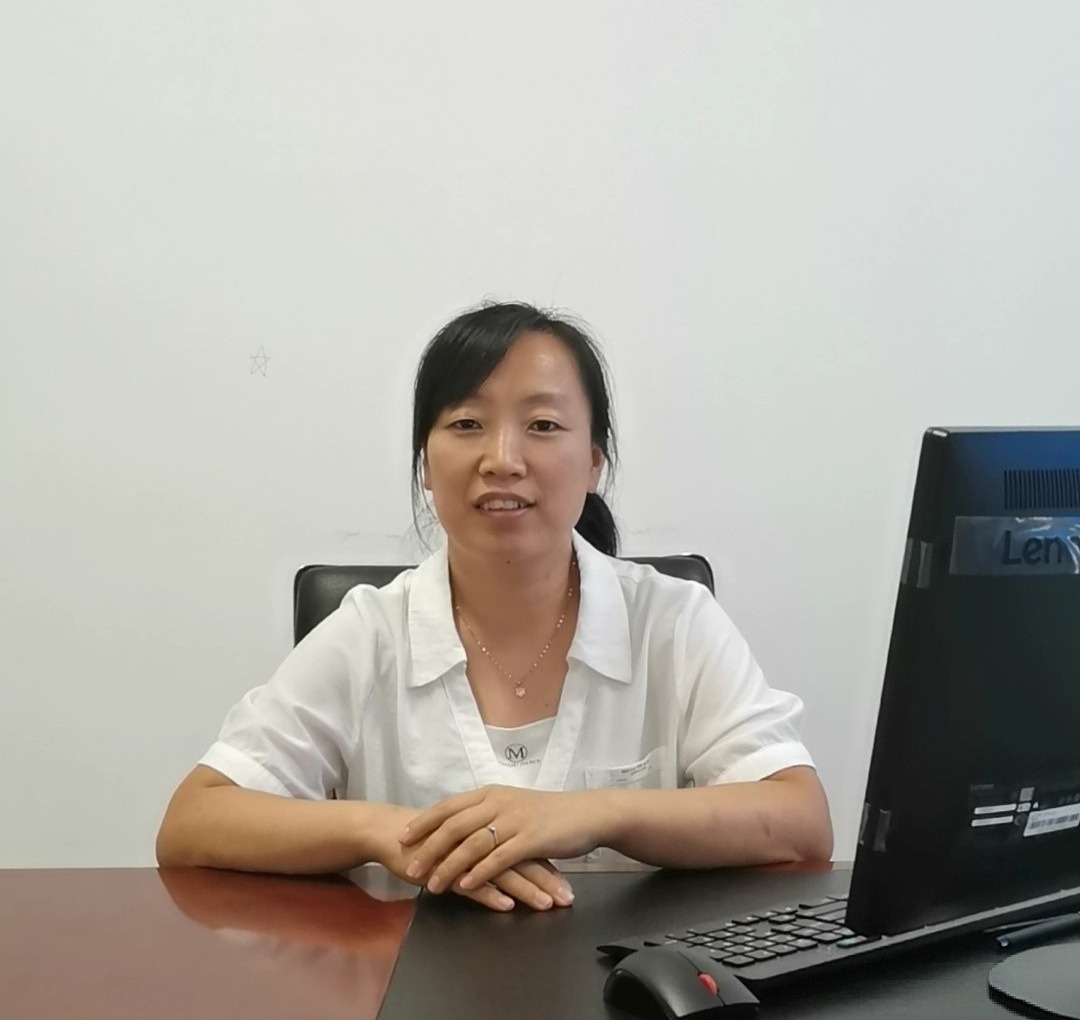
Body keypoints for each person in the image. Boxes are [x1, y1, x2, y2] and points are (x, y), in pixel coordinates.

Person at [157, 301, 832, 911]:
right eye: (467, 424)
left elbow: (800, 821)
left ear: (594, 462)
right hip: (411, 991)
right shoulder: (370, 633)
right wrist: (385, 831)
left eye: (543, 425)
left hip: (629, 992)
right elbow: (193, 822)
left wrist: (597, 815)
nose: (502, 459)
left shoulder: (673, 622)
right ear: (426, 463)